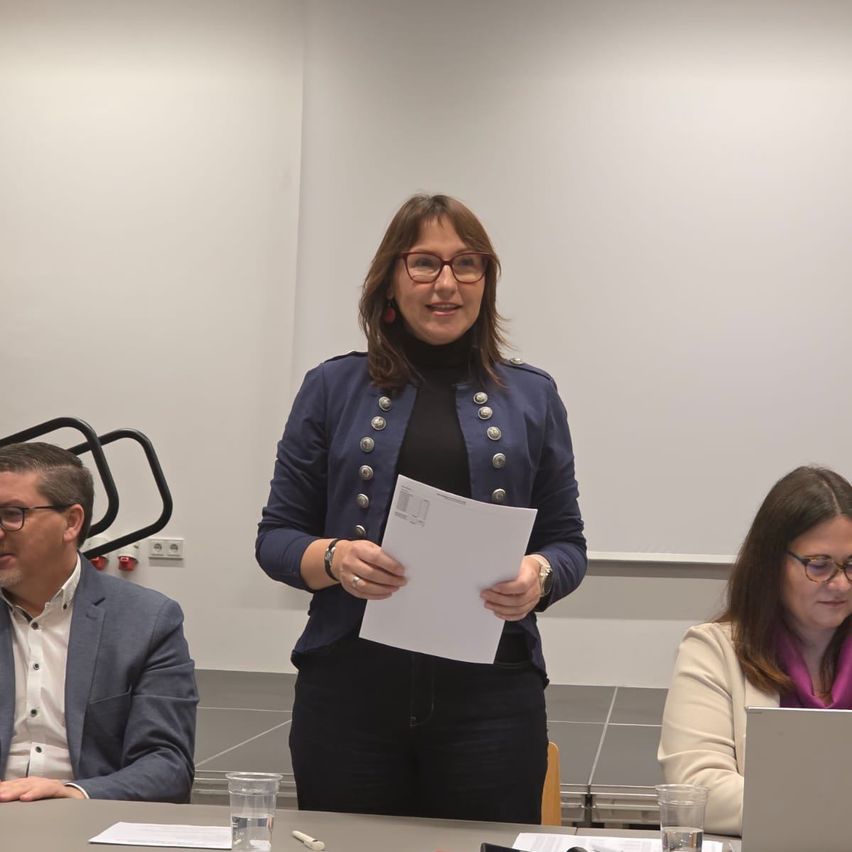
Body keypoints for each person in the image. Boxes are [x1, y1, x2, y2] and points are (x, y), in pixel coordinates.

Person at [256, 193, 586, 823]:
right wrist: (335, 557)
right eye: (424, 263)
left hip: (491, 693)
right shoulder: (330, 387)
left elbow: (568, 543)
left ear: (486, 281)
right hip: (349, 689)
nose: (446, 283)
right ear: (391, 280)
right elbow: (276, 539)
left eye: (467, 264)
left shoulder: (534, 395)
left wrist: (538, 575)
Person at [658, 465, 852, 835]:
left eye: (851, 564)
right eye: (819, 565)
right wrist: (832, 811)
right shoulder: (715, 650)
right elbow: (698, 790)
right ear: (772, 564)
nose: (840, 584)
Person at [0, 442, 198, 803]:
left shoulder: (147, 620)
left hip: (90, 814)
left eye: (12, 514)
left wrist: (73, 793)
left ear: (71, 522)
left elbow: (167, 765)